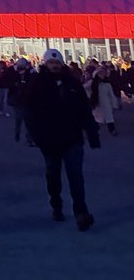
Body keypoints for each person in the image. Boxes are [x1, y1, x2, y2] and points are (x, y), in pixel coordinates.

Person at [26, 48, 99, 230]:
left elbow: (84, 109)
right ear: (45, 64)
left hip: (72, 137)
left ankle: (81, 212)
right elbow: (30, 112)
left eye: (57, 63)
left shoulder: (73, 83)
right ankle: (56, 205)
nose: (54, 66)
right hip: (49, 139)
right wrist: (36, 135)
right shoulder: (37, 83)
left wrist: (91, 132)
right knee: (53, 175)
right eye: (51, 63)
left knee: (76, 176)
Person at [90, 62, 118, 135]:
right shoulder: (93, 83)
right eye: (100, 74)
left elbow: (111, 95)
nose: (101, 75)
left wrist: (114, 104)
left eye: (102, 73)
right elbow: (84, 88)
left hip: (106, 103)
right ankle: (95, 130)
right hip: (96, 103)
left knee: (109, 117)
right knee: (96, 117)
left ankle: (112, 130)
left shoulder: (107, 84)